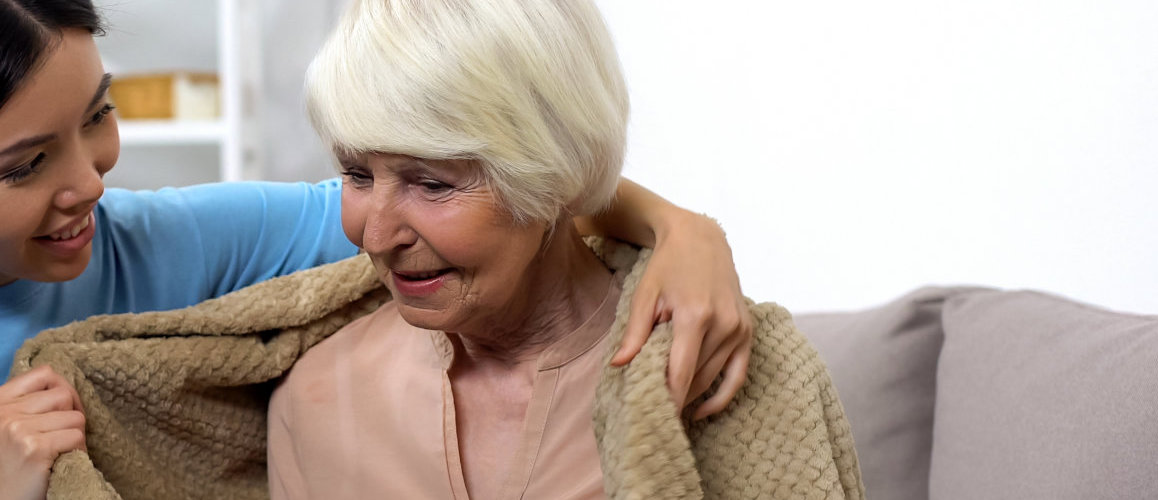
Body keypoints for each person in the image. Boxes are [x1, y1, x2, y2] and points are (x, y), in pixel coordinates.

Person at [0, 1, 755, 499]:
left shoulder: (160, 247)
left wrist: (677, 227)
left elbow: (455, 184)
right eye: (27, 164)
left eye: (98, 118)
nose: (93, 181)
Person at [266, 1, 850, 498]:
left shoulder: (721, 368)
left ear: (556, 174)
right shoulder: (317, 400)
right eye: (357, 175)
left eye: (433, 183)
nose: (375, 236)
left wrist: (689, 229)